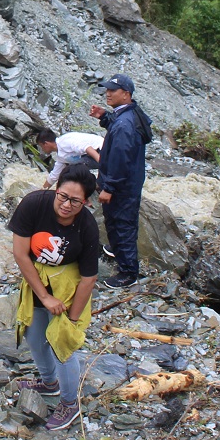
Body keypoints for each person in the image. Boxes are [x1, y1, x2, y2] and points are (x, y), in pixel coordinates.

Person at [8, 169, 100, 431]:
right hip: (37, 278)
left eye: (75, 201)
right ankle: (49, 383)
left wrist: (70, 321)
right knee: (34, 336)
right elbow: (21, 254)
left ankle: (70, 404)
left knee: (62, 343)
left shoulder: (87, 226)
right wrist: (44, 297)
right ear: (56, 188)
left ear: (86, 203)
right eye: (63, 196)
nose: (66, 205)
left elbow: (88, 279)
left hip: (68, 282)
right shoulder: (34, 204)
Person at [90, 74, 153, 290]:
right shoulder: (128, 113)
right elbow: (116, 125)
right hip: (130, 183)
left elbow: (120, 158)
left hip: (122, 187)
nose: (107, 93)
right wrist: (104, 117)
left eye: (112, 90)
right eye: (107, 89)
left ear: (126, 94)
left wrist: (109, 187)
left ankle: (128, 273)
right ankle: (119, 249)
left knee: (121, 225)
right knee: (121, 223)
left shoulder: (125, 125)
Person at [36, 128, 102, 188]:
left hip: (102, 150)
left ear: (46, 144)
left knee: (73, 169)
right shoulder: (61, 156)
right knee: (69, 170)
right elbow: (54, 176)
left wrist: (103, 164)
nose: (42, 150)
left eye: (41, 147)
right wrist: (43, 190)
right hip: (93, 158)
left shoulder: (65, 141)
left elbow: (87, 148)